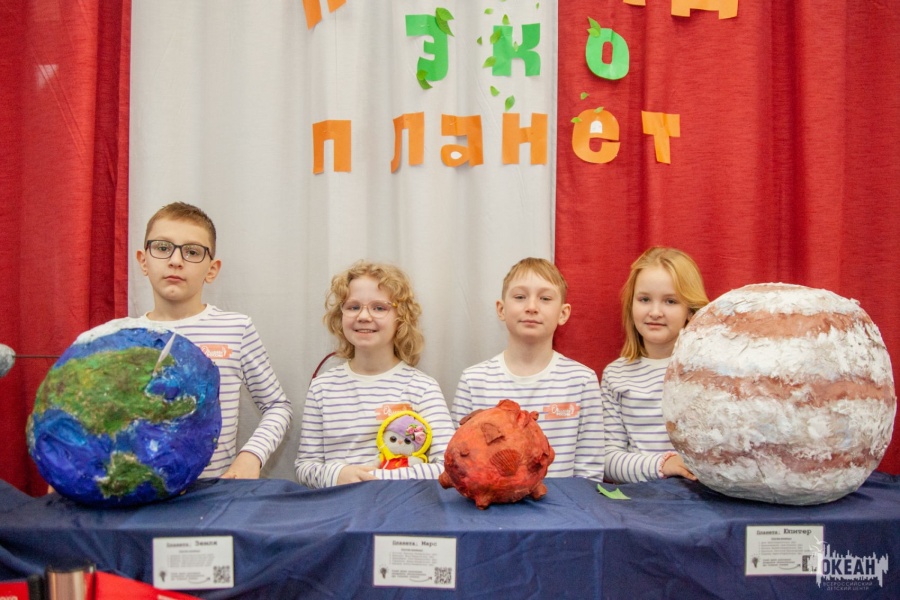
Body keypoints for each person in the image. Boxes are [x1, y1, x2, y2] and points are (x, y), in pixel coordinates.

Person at [82, 202, 292, 479]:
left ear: (212, 269)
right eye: (162, 247)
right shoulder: (117, 338)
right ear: (143, 261)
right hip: (142, 492)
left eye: (192, 252)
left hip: (215, 491)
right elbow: (95, 419)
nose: (175, 260)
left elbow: (278, 407)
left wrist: (251, 456)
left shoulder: (236, 329)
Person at [294, 261, 454, 488]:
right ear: (340, 316)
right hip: (338, 504)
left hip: (399, 503)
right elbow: (305, 467)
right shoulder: (322, 388)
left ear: (401, 318)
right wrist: (338, 474)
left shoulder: (423, 388)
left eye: (379, 308)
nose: (364, 316)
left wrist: (377, 479)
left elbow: (447, 467)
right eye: (353, 307)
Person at [451, 257, 605, 482]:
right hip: (491, 501)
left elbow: (590, 470)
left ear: (563, 313)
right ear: (501, 309)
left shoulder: (582, 381)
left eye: (545, 298)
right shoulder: (474, 381)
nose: (531, 307)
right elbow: (458, 459)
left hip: (565, 502)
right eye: (520, 297)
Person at [601, 246, 709, 483]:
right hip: (639, 498)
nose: (655, 312)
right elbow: (607, 461)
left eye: (670, 301)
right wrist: (663, 464)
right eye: (644, 299)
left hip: (699, 497)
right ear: (631, 305)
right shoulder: (615, 375)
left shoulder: (708, 371)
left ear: (690, 311)